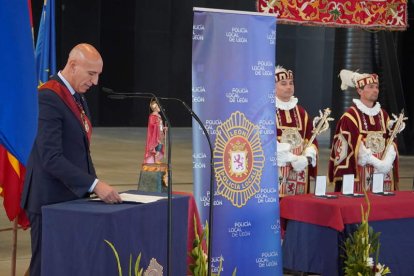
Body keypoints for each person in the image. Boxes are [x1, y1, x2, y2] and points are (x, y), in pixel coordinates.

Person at [21, 43, 122, 276]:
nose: (95, 82)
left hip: (70, 198)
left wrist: (93, 187)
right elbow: (51, 157)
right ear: (73, 65)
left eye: (98, 75)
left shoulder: (76, 96)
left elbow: (81, 152)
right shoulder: (48, 96)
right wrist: (95, 185)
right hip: (48, 199)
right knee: (45, 267)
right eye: (91, 74)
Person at [328, 69, 402, 192]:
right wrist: (377, 163)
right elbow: (352, 146)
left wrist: (387, 161)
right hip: (361, 173)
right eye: (371, 87)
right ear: (359, 90)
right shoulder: (350, 116)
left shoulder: (383, 115)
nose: (375, 90)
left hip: (384, 172)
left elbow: (391, 140)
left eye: (377, 87)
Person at [275, 66, 318, 196]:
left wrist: (307, 158)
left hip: (300, 174)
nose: (289, 87)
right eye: (283, 84)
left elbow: (311, 140)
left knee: (299, 209)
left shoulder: (301, 112)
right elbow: (263, 142)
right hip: (275, 174)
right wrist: (292, 158)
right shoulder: (266, 111)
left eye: (291, 83)